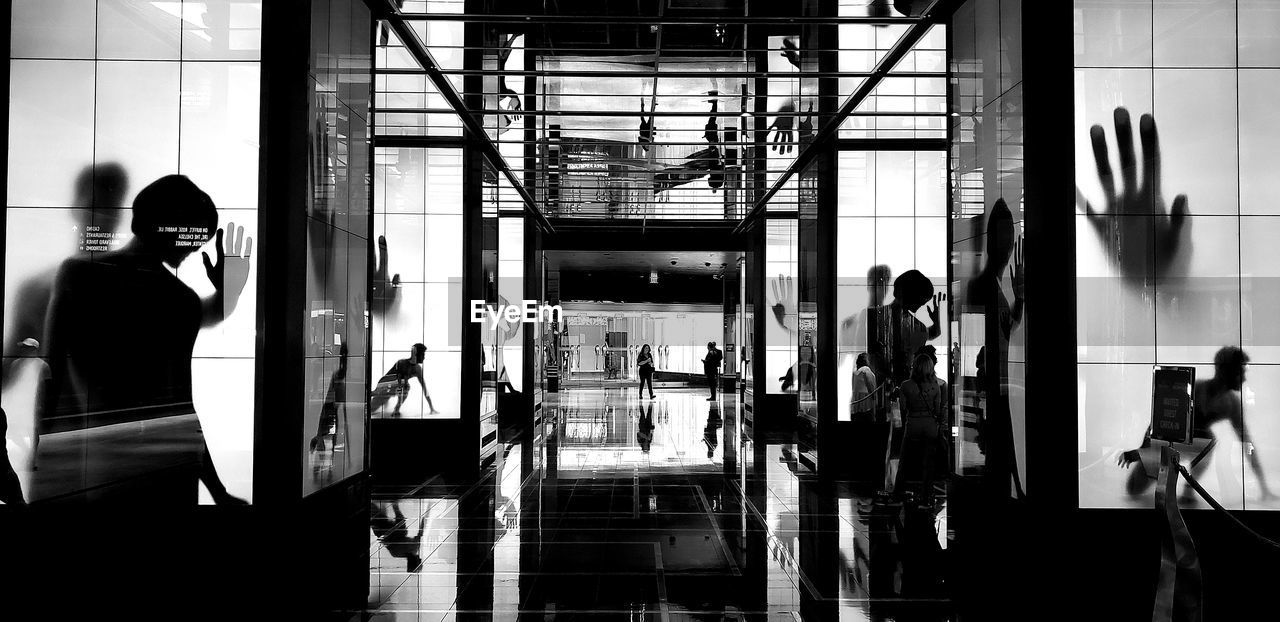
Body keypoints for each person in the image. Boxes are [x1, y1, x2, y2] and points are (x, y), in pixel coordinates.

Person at [41, 174, 250, 506]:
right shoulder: (180, 299)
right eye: (194, 236)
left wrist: (38, 457)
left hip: (88, 472)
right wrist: (218, 490)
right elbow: (182, 410)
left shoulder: (78, 275)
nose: (195, 248)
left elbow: (49, 376)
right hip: (163, 477)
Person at [1120, 346, 1275, 503]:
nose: (1244, 379)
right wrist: (1143, 451)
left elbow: (1246, 442)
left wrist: (1264, 487)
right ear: (1225, 371)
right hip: (1164, 444)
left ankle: (1188, 490)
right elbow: (1161, 418)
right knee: (1133, 490)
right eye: (1240, 372)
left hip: (1191, 447)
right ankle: (1167, 476)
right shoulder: (1194, 389)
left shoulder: (1231, 403)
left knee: (1209, 438)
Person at [895, 354, 945, 504]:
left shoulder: (905, 385)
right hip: (929, 425)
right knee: (928, 461)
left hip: (913, 424)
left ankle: (898, 491)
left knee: (905, 460)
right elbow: (938, 409)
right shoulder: (936, 386)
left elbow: (903, 408)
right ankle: (927, 493)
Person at [372, 343, 437, 416]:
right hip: (385, 386)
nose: (424, 357)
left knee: (405, 386)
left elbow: (424, 388)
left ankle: (386, 403)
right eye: (423, 354)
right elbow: (398, 385)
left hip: (392, 387)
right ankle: (382, 401)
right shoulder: (402, 363)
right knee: (370, 409)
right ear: (415, 353)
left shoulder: (417, 369)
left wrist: (431, 407)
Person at [851, 353, 878, 423]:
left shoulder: (855, 372)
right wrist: (874, 398)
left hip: (857, 400)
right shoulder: (866, 371)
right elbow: (871, 386)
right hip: (866, 401)